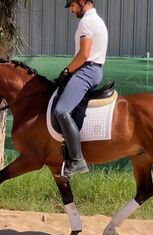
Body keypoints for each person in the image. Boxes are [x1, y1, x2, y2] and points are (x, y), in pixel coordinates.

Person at [54, 0, 108, 178]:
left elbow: (84, 54)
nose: (71, 9)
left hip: (87, 70)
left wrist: (68, 70)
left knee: (61, 110)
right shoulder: (97, 20)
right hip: (92, 69)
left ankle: (77, 160)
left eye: (72, 5)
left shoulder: (86, 21)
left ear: (82, 1)